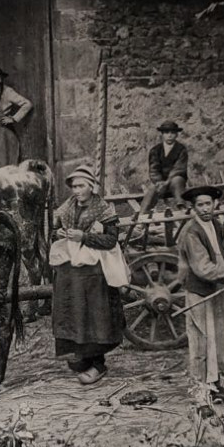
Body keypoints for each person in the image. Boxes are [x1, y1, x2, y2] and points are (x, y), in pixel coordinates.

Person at [49, 165, 125, 386]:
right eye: (74, 186)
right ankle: (79, 357)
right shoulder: (67, 207)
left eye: (81, 186)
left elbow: (111, 240)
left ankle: (98, 363)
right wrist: (59, 233)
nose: (77, 190)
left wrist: (84, 236)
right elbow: (53, 231)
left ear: (91, 186)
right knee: (72, 312)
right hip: (70, 271)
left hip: (94, 272)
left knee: (93, 316)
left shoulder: (103, 209)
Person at [176, 184, 224, 392]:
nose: (204, 209)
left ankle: (216, 384)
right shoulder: (191, 232)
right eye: (200, 205)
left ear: (215, 204)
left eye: (208, 204)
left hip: (219, 289)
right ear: (193, 208)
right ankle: (201, 390)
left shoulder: (216, 225)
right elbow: (203, 268)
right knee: (201, 339)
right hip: (200, 292)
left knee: (219, 336)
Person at [139, 120, 190, 213]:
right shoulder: (155, 150)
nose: (169, 135)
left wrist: (168, 181)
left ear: (176, 135)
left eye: (173, 133)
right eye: (166, 133)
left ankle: (182, 207)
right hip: (160, 182)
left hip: (175, 181)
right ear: (162, 134)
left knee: (177, 180)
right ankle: (142, 215)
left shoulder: (181, 149)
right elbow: (154, 168)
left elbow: (179, 168)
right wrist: (160, 182)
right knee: (152, 188)